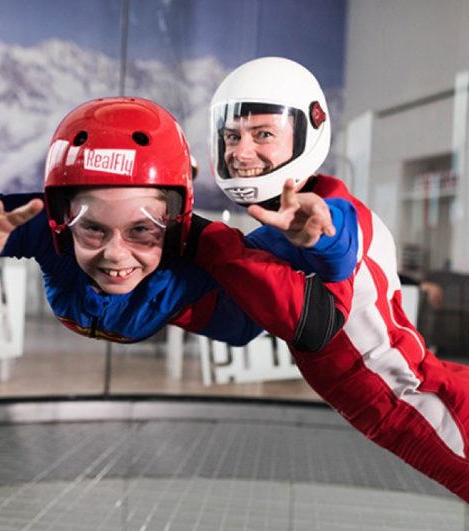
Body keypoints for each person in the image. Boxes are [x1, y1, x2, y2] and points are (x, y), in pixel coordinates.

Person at [199, 56, 469, 502]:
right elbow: (238, 322)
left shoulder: (339, 214)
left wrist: (197, 238)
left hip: (430, 405)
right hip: (421, 400)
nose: (240, 152)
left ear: (309, 130)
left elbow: (337, 243)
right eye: (232, 135)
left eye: (262, 133)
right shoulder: (278, 237)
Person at [0, 97, 346, 355]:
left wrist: (321, 243)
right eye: (92, 228)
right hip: (171, 298)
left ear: (177, 220)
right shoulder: (38, 221)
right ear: (63, 218)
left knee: (263, 259)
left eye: (143, 229)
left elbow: (305, 326)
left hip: (190, 302)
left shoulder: (207, 247)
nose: (116, 255)